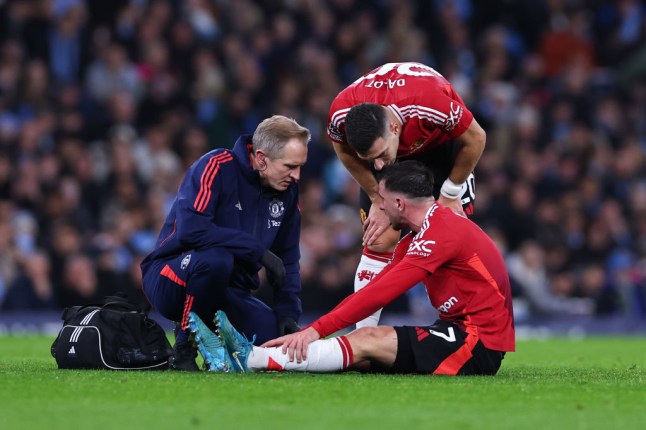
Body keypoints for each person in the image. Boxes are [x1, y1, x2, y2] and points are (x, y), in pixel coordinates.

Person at [188, 161, 515, 376]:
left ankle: (248, 359)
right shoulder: (417, 236)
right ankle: (254, 355)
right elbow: (373, 290)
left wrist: (315, 329)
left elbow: (381, 294)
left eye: (381, 200)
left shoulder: (441, 234)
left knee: (368, 339)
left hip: (478, 342)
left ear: (399, 204)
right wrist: (320, 328)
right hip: (459, 328)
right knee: (361, 352)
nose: (378, 207)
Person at [140, 115, 310, 371]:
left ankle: (217, 338)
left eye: (300, 167)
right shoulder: (215, 165)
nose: (296, 176)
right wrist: (257, 251)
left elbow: (287, 258)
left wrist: (287, 312)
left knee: (276, 342)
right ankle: (184, 347)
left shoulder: (287, 192)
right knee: (216, 260)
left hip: (230, 292)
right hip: (172, 276)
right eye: (289, 166)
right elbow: (191, 231)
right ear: (262, 158)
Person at [326, 62, 486, 328]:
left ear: (393, 128)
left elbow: (476, 138)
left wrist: (450, 192)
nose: (377, 166)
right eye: (370, 159)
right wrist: (376, 196)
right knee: (378, 237)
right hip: (398, 156)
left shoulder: (429, 101)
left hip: (440, 149)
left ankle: (467, 329)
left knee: (451, 241)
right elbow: (342, 150)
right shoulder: (341, 113)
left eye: (378, 155)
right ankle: (363, 336)